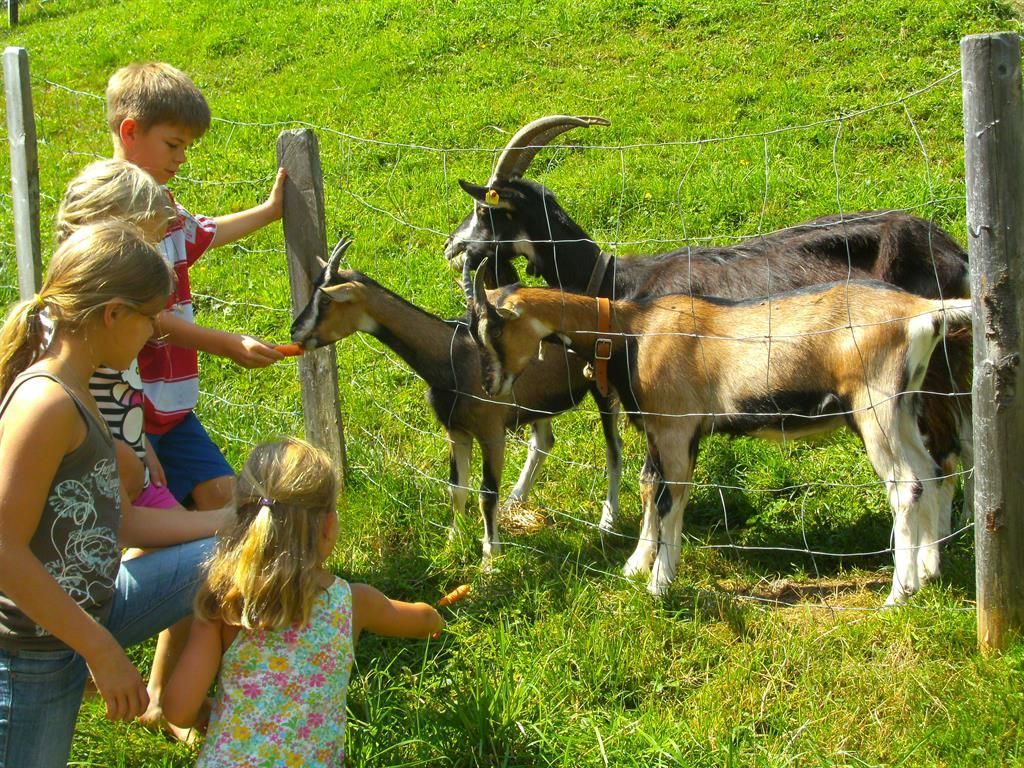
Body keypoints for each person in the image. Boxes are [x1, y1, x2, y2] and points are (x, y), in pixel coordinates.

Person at [0, 223, 234, 768]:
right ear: (112, 314)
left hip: (88, 612)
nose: (155, 333)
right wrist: (100, 651)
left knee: (235, 551)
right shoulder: (47, 405)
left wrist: (227, 521)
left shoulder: (85, 390)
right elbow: (4, 552)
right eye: (150, 318)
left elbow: (121, 522)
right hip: (33, 650)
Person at [163, 438, 444, 766]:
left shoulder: (226, 604)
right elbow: (422, 620)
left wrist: (204, 711)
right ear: (328, 526)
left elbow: (178, 710)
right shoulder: (353, 603)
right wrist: (437, 620)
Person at [56, 158, 211, 741]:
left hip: (131, 478)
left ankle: (160, 697)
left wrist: (144, 451)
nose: (154, 332)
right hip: (107, 511)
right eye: (145, 240)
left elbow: (126, 401)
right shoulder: (68, 374)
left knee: (201, 552)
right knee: (200, 563)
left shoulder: (100, 336)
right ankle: (163, 696)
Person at [106, 61, 287, 512]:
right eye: (173, 144)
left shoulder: (161, 203)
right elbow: (143, 319)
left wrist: (269, 212)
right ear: (130, 131)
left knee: (231, 512)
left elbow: (202, 232)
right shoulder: (109, 217)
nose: (181, 158)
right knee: (158, 530)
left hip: (171, 409)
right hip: (125, 412)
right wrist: (224, 343)